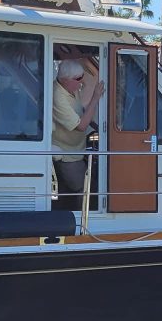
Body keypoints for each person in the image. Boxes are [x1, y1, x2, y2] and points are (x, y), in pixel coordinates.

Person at [52, 59, 105, 211]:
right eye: (78, 79)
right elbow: (81, 126)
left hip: (77, 149)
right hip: (67, 154)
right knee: (83, 189)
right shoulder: (57, 96)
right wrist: (96, 97)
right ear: (64, 79)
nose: (81, 82)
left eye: (82, 77)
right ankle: (79, 225)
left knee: (75, 189)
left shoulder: (70, 88)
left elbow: (82, 110)